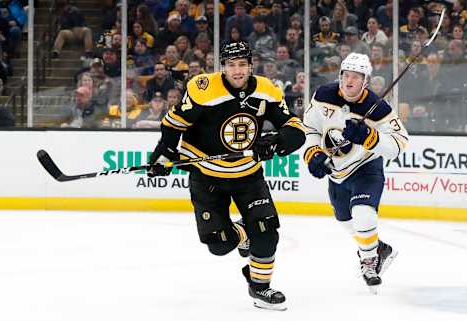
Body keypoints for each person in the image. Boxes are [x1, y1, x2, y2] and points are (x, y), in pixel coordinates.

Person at [147, 41, 305, 310]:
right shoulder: (203, 88)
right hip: (207, 177)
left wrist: (277, 140)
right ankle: (243, 232)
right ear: (223, 67)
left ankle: (260, 288)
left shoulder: (268, 90)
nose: (237, 70)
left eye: (242, 64)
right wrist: (164, 154)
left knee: (266, 231)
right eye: (231, 65)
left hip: (248, 175)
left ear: (250, 66)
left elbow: (294, 126)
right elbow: (174, 123)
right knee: (219, 245)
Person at [303, 53, 409, 292]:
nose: (349, 81)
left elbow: (400, 143)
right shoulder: (323, 95)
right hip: (337, 173)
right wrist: (313, 154)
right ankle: (378, 248)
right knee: (346, 221)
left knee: (363, 215)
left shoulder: (377, 108)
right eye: (346, 75)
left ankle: (369, 262)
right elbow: (310, 127)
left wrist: (370, 138)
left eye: (356, 77)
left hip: (365, 169)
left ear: (366, 81)